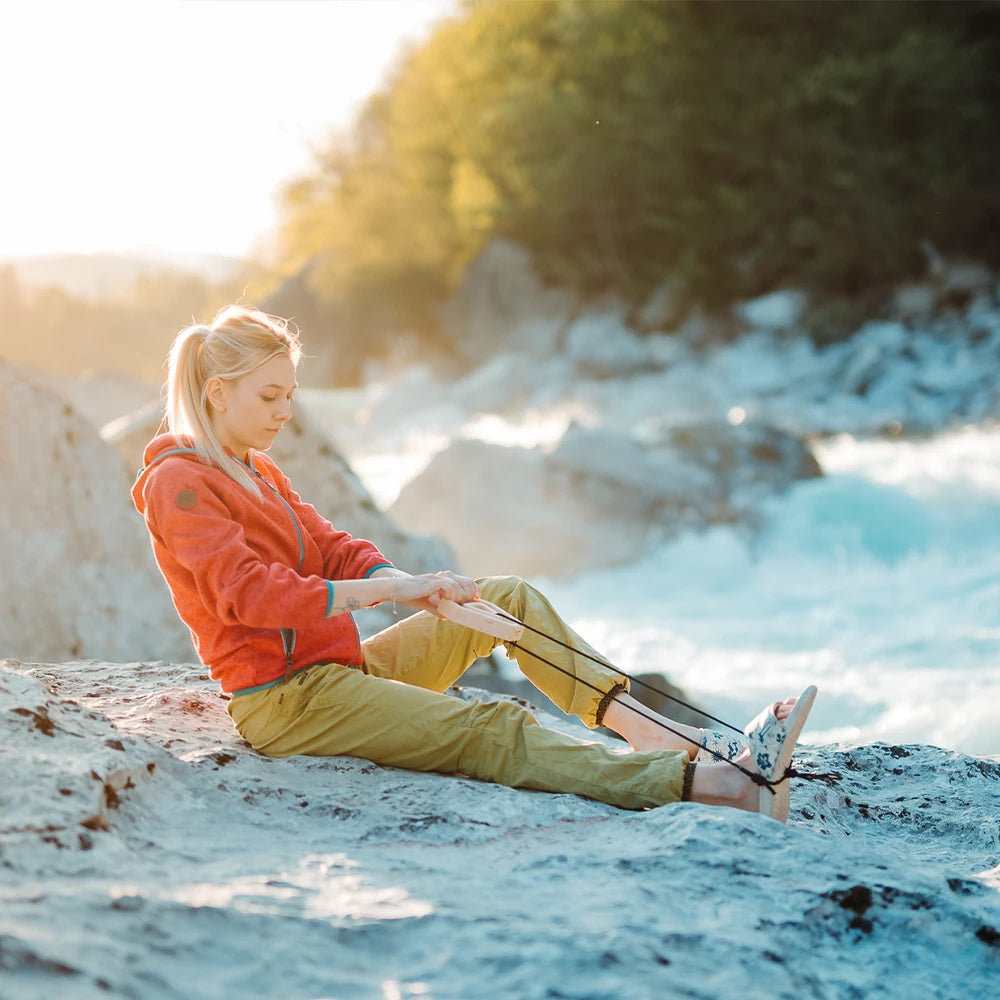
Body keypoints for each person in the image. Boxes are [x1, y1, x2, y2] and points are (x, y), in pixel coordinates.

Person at [132, 305, 815, 821]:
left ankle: (658, 736)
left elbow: (334, 545)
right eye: (269, 396)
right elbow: (248, 596)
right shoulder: (180, 484)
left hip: (341, 670)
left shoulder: (258, 471)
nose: (285, 412)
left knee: (505, 597)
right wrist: (388, 593)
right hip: (285, 703)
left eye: (290, 395)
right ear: (218, 393)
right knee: (491, 727)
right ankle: (716, 787)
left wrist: (420, 590)